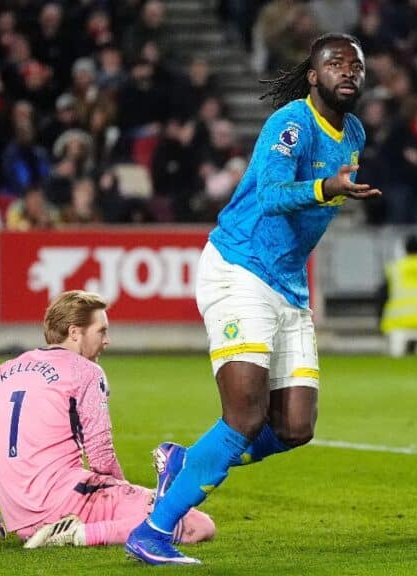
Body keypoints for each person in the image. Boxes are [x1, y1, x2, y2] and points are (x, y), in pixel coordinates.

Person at [126, 33, 380, 565]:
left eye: (355, 64)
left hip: (288, 285)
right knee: (243, 416)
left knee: (294, 427)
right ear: (313, 76)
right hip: (239, 269)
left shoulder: (352, 131)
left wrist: (327, 190)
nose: (347, 71)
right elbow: (268, 195)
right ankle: (153, 530)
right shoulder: (291, 123)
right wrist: (324, 188)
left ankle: (186, 460)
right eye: (335, 63)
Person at [0, 290, 215, 548]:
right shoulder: (85, 371)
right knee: (193, 522)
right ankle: (78, 533)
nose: (107, 340)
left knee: (155, 511)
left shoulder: (2, 372)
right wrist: (123, 490)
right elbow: (101, 458)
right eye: (102, 331)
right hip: (66, 504)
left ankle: (71, 529)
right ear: (75, 333)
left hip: (21, 519)